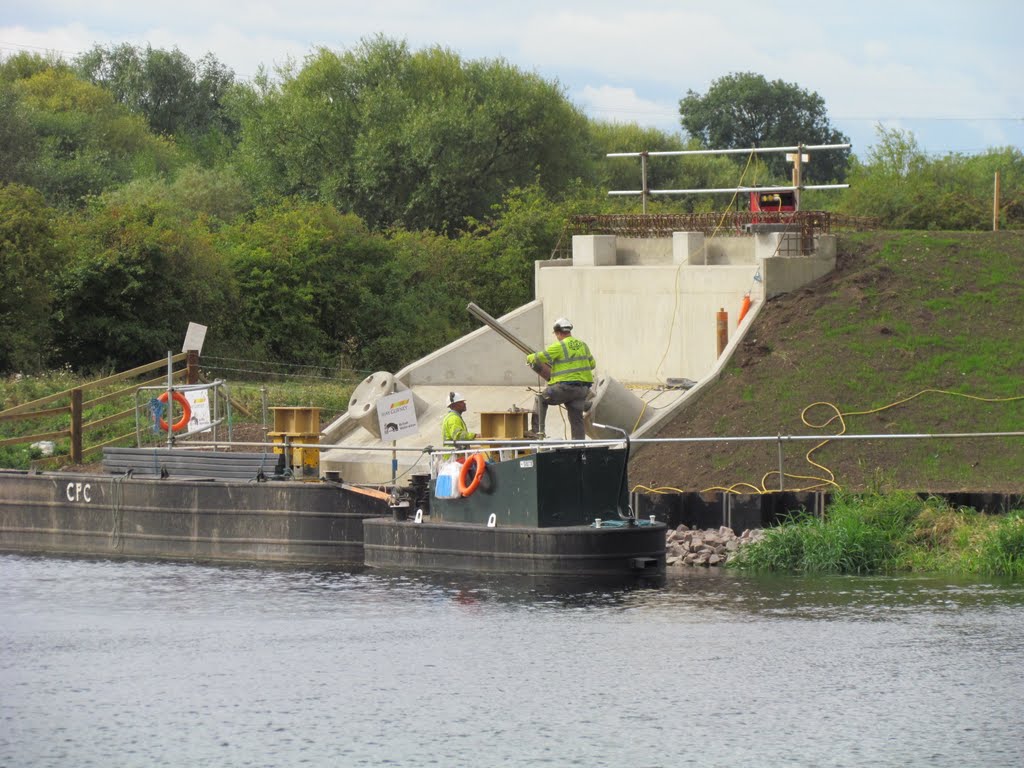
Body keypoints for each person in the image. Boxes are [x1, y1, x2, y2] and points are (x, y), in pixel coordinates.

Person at [526, 317, 596, 440]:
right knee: (576, 418)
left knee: (541, 398)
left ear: (558, 333)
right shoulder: (583, 345)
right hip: (582, 390)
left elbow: (540, 357)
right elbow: (592, 365)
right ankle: (578, 446)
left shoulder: (559, 346)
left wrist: (529, 358)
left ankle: (537, 432)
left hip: (566, 388)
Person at [440, 391, 476, 459]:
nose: (464, 404)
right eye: (461, 402)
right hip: (454, 457)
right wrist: (474, 435)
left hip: (454, 456)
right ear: (454, 405)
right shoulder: (453, 418)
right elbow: (458, 436)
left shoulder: (452, 417)